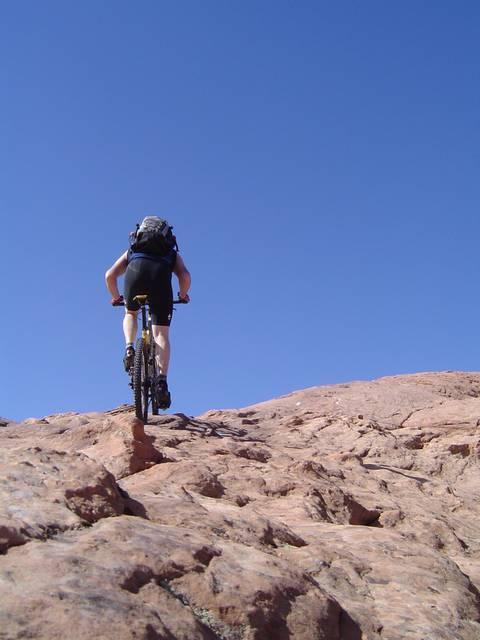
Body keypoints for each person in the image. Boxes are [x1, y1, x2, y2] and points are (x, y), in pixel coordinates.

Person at [105, 216, 191, 409]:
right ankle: (161, 380)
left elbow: (110, 275)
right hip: (160, 280)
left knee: (131, 313)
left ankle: (129, 347)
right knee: (160, 333)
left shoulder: (133, 249)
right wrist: (183, 294)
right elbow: (184, 276)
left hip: (135, 275)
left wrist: (116, 296)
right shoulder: (171, 252)